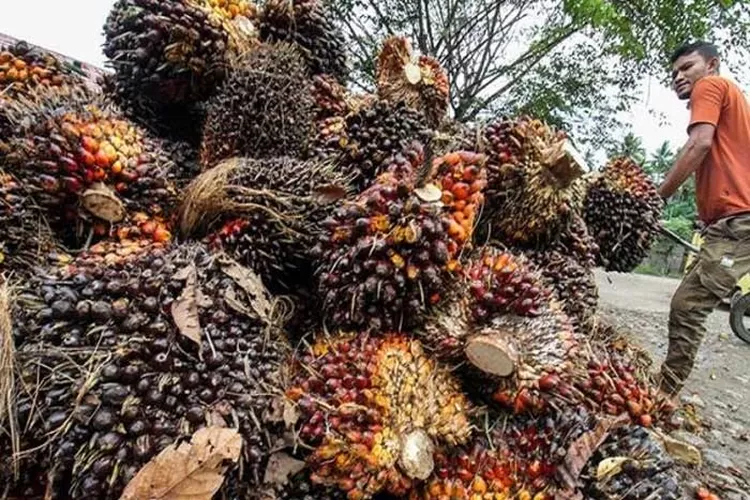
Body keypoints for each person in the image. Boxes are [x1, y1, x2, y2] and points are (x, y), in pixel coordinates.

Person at [657, 41, 750, 396]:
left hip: (738, 223)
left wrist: (657, 196)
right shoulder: (733, 98)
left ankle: (663, 394)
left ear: (712, 64)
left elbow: (699, 144)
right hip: (729, 222)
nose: (679, 77)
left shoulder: (710, 86)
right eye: (674, 73)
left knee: (689, 304)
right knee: (692, 299)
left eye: (687, 67)